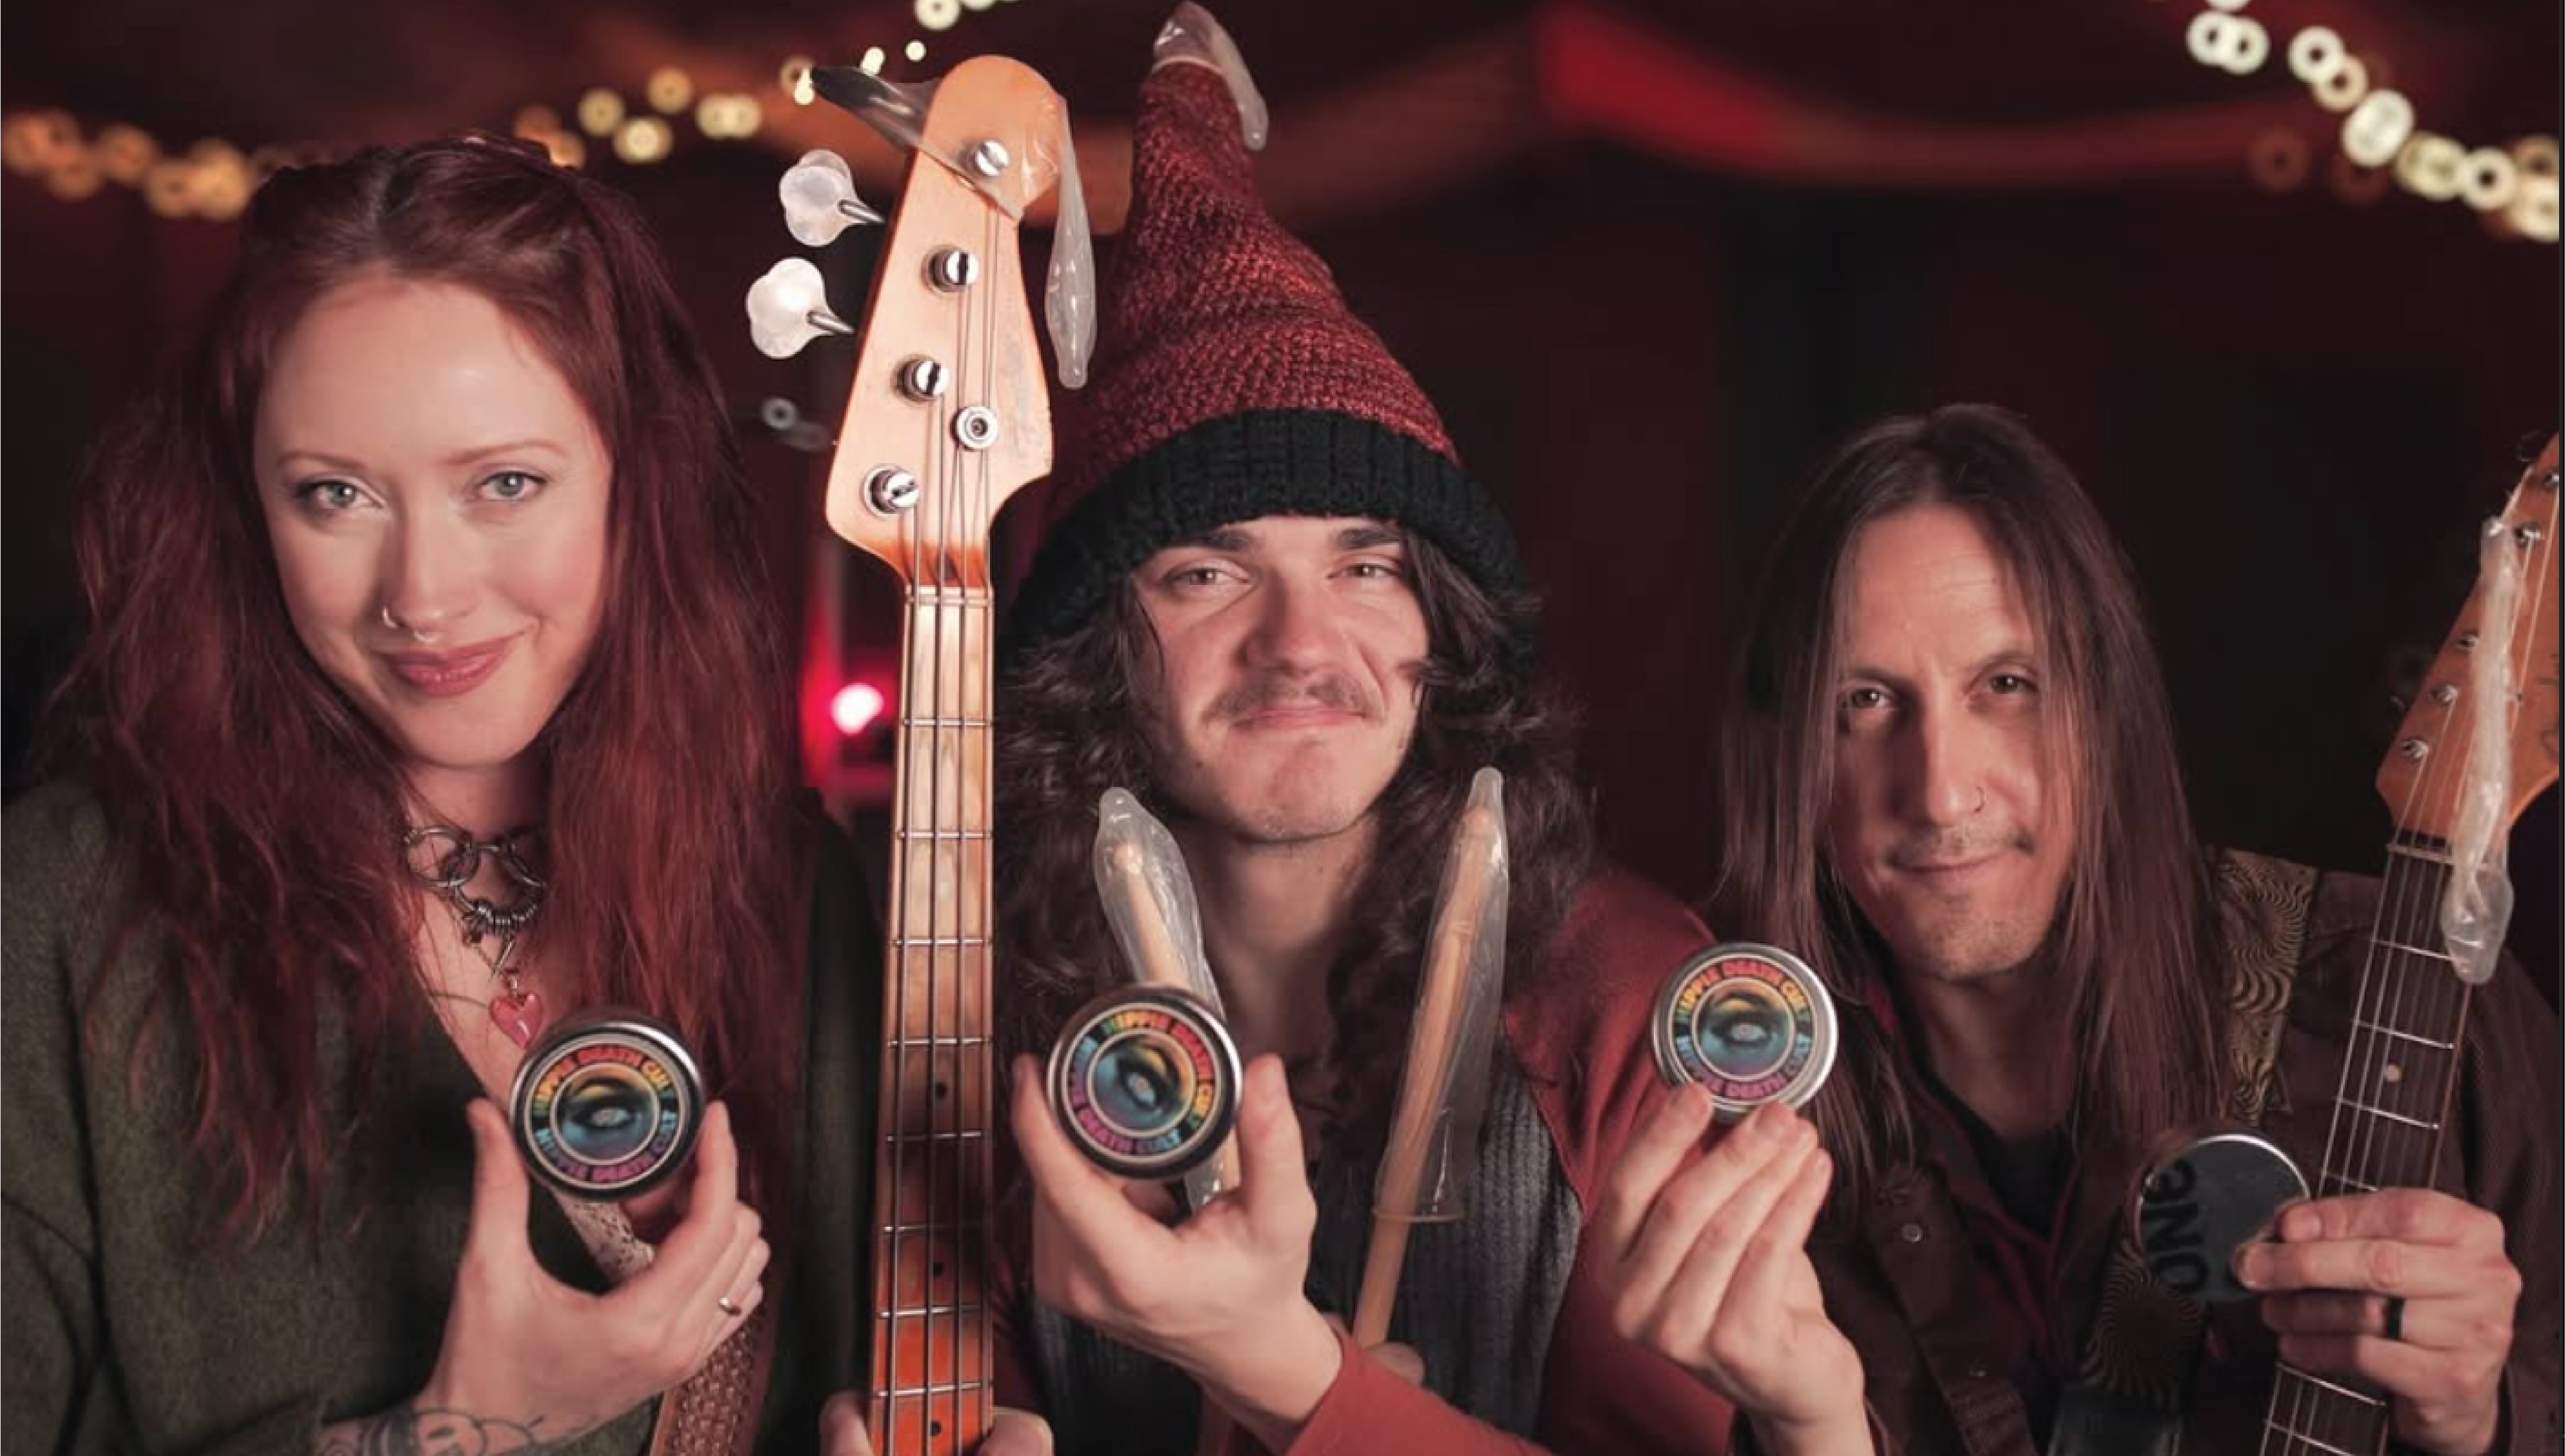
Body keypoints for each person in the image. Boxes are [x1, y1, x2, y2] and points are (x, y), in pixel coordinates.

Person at [4, 135, 880, 1454]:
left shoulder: (794, 888)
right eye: (334, 494)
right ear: (248, 509)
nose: (421, 592)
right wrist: (451, 1433)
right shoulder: (64, 910)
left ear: (633, 483)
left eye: (505, 483)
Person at [957, 9, 1749, 1455]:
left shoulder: (1629, 1000)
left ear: (1443, 622)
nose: (1301, 643)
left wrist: (1303, 1387)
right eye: (1207, 570)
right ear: (1093, 649)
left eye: (1365, 564)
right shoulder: (991, 1012)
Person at [1594, 404, 2558, 1454]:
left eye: (2006, 685)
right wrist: (1805, 1425)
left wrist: (2484, 1416)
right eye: (1865, 701)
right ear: (1786, 754)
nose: (1942, 791)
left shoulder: (2408, 998)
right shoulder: (1746, 1142)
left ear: (2108, 708)